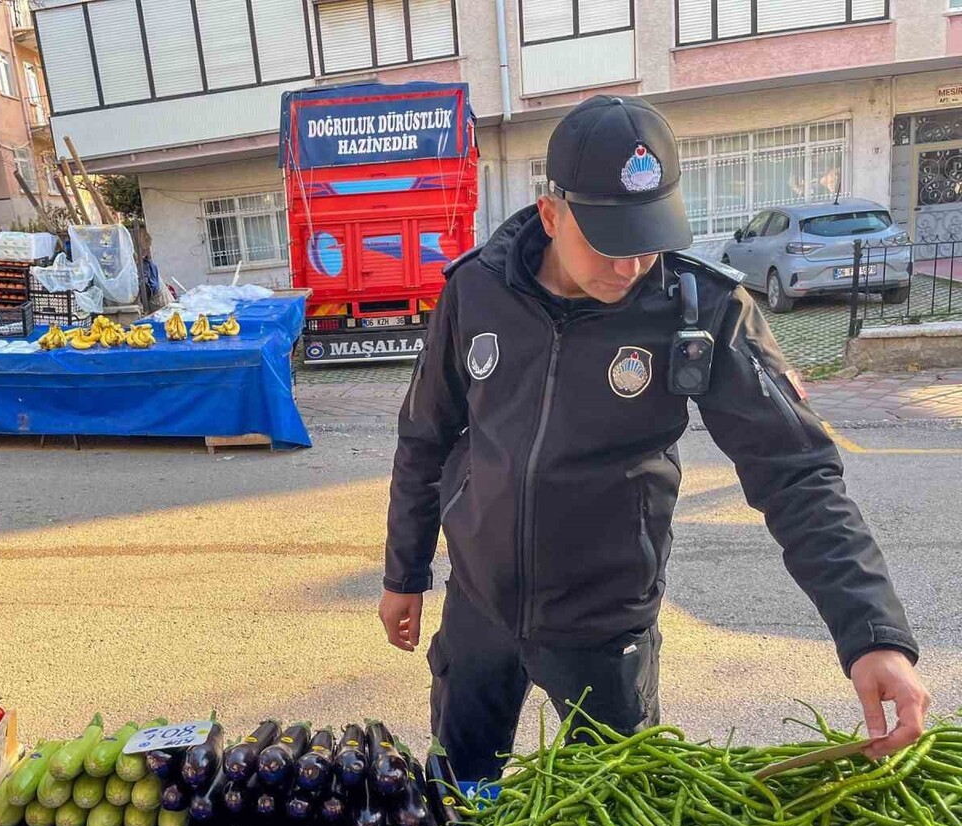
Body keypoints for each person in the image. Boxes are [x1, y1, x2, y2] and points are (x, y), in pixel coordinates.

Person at [379, 96, 929, 782]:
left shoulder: (701, 310)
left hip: (606, 632)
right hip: (478, 612)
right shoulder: (476, 293)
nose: (632, 263)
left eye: (649, 236)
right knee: (457, 798)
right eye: (608, 239)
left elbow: (796, 474)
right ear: (552, 216)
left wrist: (872, 635)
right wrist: (405, 573)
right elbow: (425, 436)